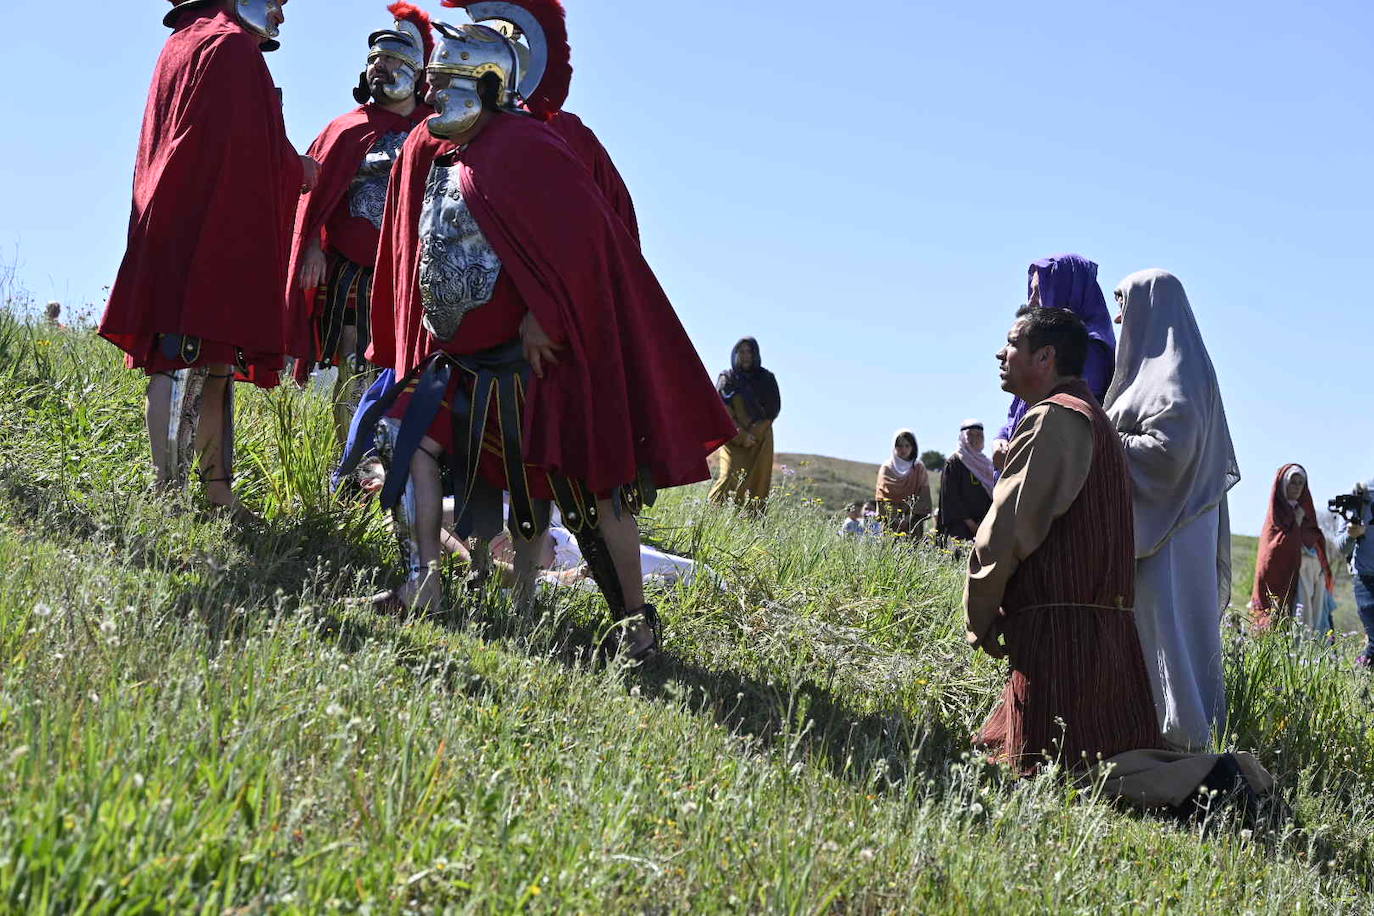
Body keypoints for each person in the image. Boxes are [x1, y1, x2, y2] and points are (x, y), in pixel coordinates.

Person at [353, 0, 736, 662]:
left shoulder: (528, 146)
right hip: (461, 362)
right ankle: (423, 583)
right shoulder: (446, 150)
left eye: (448, 81)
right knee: (402, 433)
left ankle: (634, 627)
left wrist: (545, 314)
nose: (434, 93)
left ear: (490, 81)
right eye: (434, 82)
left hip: (534, 362)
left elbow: (590, 240)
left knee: (588, 487)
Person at [99, 0, 315, 515]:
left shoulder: (187, 41)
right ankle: (167, 497)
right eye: (275, 2)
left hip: (186, 215)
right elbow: (239, 146)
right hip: (204, 225)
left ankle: (217, 493)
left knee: (215, 361)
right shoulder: (231, 47)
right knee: (183, 357)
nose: (280, 16)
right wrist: (296, 170)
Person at [967, 306, 1164, 772]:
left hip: (1062, 646)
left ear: (1045, 357)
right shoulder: (1092, 418)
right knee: (1102, 768)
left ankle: (1225, 780)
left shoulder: (1054, 419)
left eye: (1013, 343)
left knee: (1055, 772)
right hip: (1102, 644)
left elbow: (1006, 531)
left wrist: (980, 614)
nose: (1001, 352)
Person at [286, 3, 434, 445]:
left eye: (391, 61)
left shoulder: (436, 129)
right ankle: (350, 457)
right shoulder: (346, 129)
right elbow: (314, 195)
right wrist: (311, 244)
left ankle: (406, 460)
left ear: (416, 72)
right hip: (353, 267)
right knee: (352, 360)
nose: (379, 68)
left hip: (413, 269)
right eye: (373, 60)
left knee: (414, 362)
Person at [1104, 270, 1239, 753]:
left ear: (1150, 307)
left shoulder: (1176, 373)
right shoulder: (1158, 370)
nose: (1119, 316)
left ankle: (1183, 741)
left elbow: (1169, 452)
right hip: (1169, 525)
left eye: (1124, 303)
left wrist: (1103, 440)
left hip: (1170, 532)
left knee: (1173, 632)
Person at [992, 254, 1116, 472]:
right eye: (1031, 291)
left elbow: (1061, 420)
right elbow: (1022, 408)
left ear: (1067, 292)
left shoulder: (1089, 353)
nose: (1031, 301)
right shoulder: (1040, 348)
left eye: (1040, 292)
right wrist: (1001, 438)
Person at [1251, 464, 1335, 635]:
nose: (1297, 487)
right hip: (1288, 585)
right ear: (1282, 485)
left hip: (1311, 586)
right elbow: (1271, 556)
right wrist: (1294, 526)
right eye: (1293, 482)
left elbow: (1317, 544)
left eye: (1300, 483)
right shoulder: (1276, 518)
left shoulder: (1307, 515)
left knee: (1311, 629)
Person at [709, 338, 781, 509]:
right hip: (733, 438)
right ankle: (713, 517)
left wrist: (754, 434)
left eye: (749, 352)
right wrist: (741, 436)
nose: (745, 356)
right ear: (735, 354)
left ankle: (751, 526)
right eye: (741, 352)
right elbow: (721, 410)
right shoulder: (727, 378)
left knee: (759, 482)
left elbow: (772, 410)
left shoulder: (767, 379)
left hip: (760, 439)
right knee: (728, 478)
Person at [1336, 482, 1374, 667]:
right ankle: (1359, 681)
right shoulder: (1361, 493)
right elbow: (1340, 547)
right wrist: (1352, 534)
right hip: (1366, 579)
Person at [937, 420, 994, 541]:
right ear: (963, 437)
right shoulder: (954, 462)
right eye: (970, 435)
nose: (975, 439)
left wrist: (983, 523)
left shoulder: (987, 464)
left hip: (984, 524)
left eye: (979, 435)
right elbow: (951, 497)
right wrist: (970, 523)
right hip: (959, 525)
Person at [875, 430, 932, 538]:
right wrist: (894, 518)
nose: (903, 449)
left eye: (907, 445)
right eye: (900, 446)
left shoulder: (918, 468)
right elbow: (881, 495)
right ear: (894, 447)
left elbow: (923, 495)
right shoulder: (887, 468)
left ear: (913, 447)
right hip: (891, 523)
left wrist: (908, 518)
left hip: (913, 523)